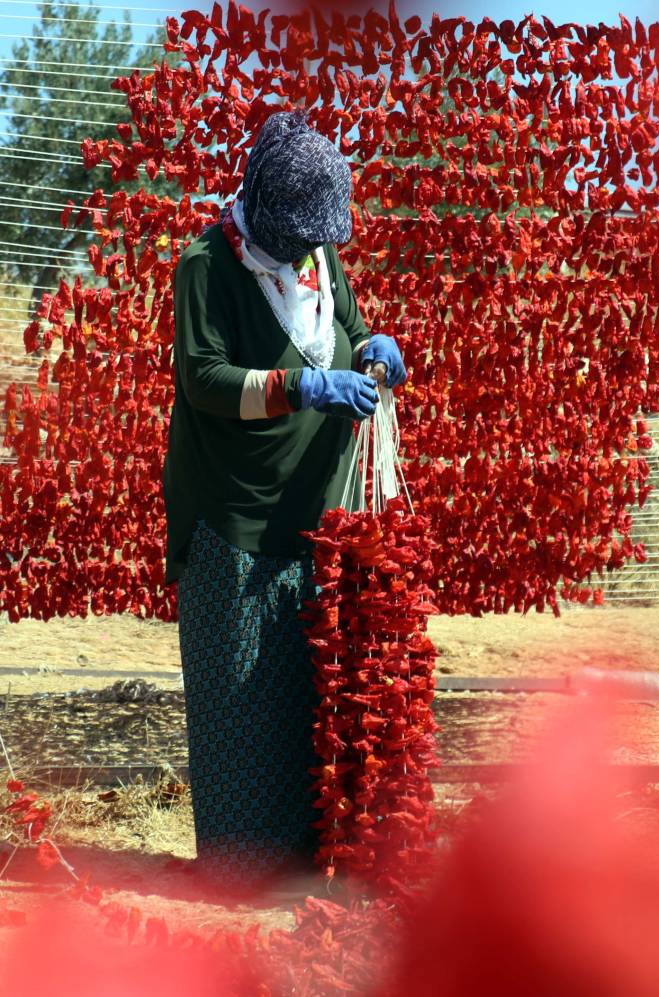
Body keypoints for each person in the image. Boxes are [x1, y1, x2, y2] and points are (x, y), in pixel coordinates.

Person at [163, 109, 406, 899]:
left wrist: (373, 347)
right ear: (262, 205)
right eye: (298, 235)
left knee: (312, 692)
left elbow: (351, 324)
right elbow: (202, 380)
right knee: (240, 701)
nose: (309, 251)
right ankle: (240, 868)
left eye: (317, 240)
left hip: (316, 512)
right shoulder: (206, 266)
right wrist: (296, 386)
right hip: (233, 516)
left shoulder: (317, 254)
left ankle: (307, 861)